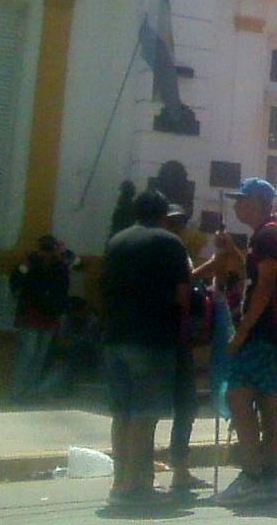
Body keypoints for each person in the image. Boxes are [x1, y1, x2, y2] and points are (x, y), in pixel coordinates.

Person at [101, 191, 191, 507]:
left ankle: (119, 479)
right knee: (145, 414)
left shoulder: (116, 241)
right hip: (151, 339)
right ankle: (133, 483)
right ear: (164, 215)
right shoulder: (170, 243)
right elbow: (183, 294)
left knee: (121, 413)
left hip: (114, 337)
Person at [213, 178, 277, 506]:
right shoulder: (266, 236)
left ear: (260, 202)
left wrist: (243, 332)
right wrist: (232, 251)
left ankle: (252, 476)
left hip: (263, 335)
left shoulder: (268, 236)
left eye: (242, 199)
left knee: (240, 398)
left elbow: (264, 286)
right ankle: (268, 479)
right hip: (275, 335)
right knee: (267, 404)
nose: (236, 205)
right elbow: (256, 276)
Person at [160, 202, 207, 492]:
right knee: (182, 404)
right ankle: (175, 467)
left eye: (181, 223)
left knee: (184, 405)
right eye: (173, 223)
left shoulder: (179, 254)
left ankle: (178, 467)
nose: (178, 228)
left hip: (169, 337)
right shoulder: (174, 254)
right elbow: (184, 292)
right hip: (172, 337)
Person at [9, 234, 72, 401]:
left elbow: (72, 273)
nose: (46, 253)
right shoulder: (31, 262)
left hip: (48, 313)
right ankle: (18, 392)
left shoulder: (60, 265)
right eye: (44, 249)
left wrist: (64, 254)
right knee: (28, 354)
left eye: (49, 249)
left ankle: (29, 391)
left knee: (39, 356)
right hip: (32, 311)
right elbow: (16, 278)